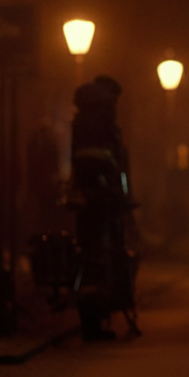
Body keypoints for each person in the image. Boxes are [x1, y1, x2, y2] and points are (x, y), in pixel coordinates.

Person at [70, 75, 137, 341]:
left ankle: (89, 319)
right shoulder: (106, 115)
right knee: (106, 256)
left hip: (85, 196)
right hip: (105, 196)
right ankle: (101, 315)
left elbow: (77, 155)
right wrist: (120, 192)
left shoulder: (80, 117)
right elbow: (114, 158)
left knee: (87, 255)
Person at [26, 117, 63, 235]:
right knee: (44, 209)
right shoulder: (42, 146)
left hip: (44, 183)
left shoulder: (39, 146)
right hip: (44, 183)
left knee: (45, 210)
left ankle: (45, 230)